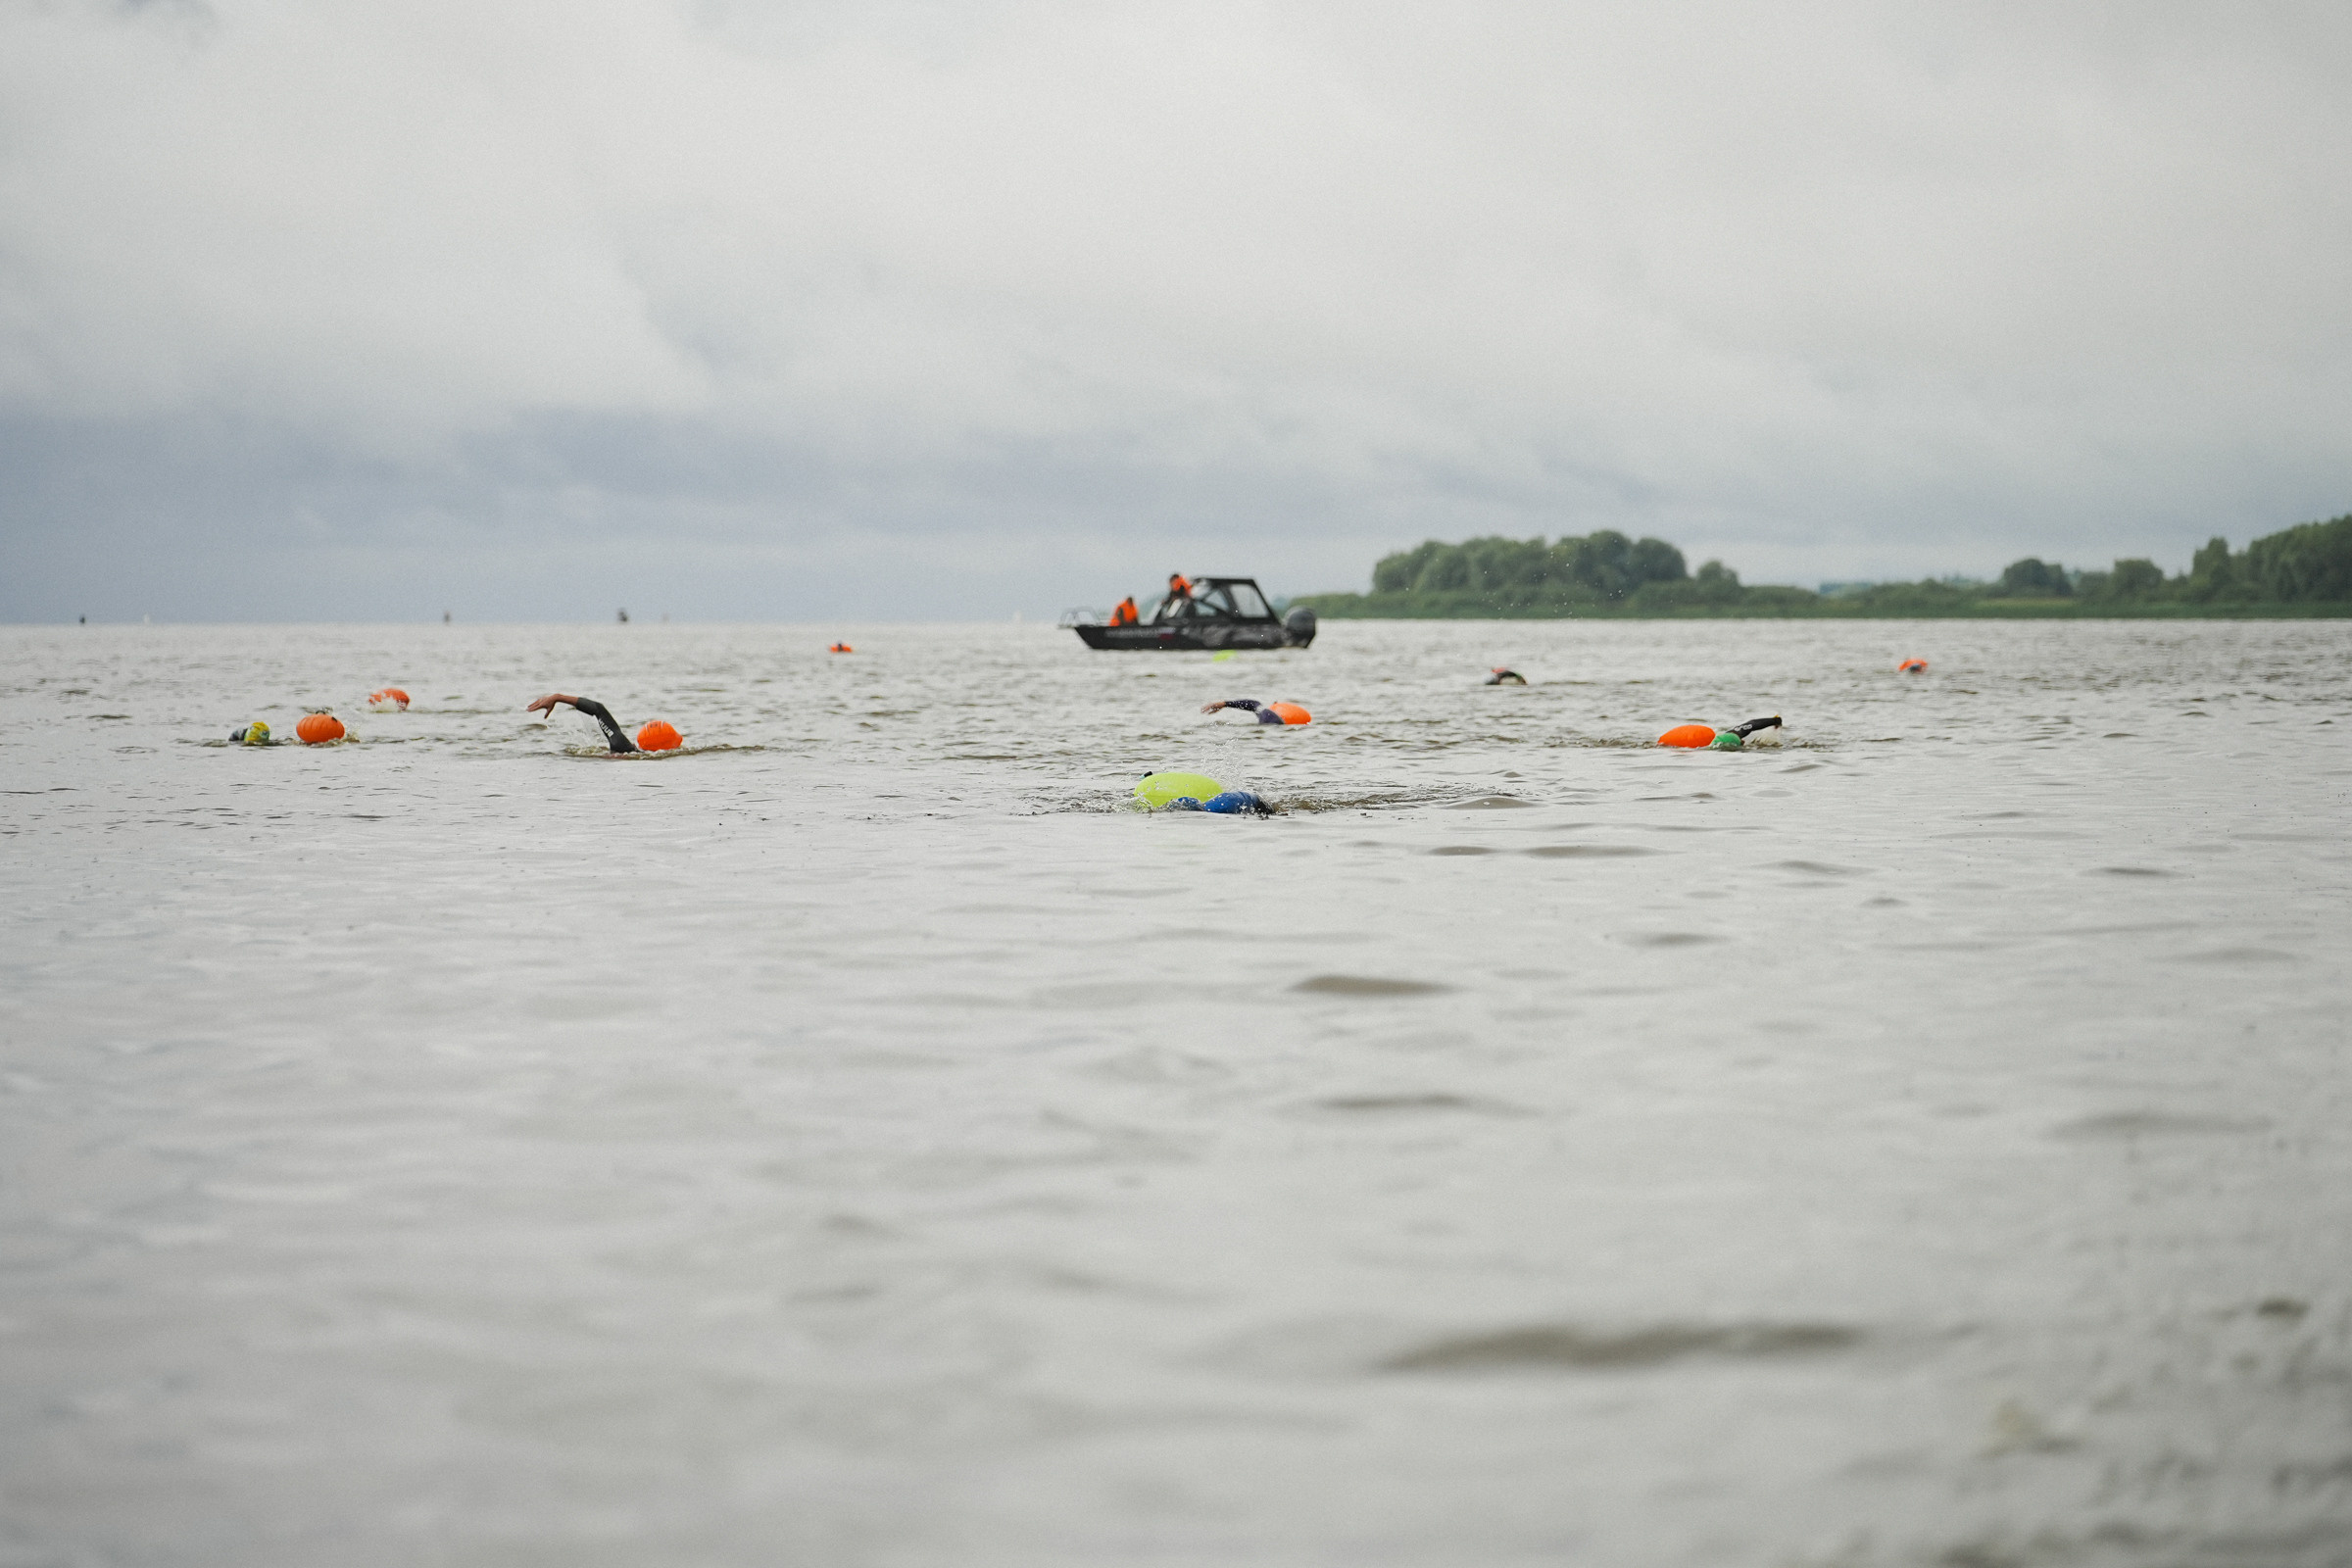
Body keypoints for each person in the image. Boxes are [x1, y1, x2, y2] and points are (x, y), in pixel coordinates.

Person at [526, 692, 640, 753]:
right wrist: (557, 697)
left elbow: (599, 709)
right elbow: (599, 709)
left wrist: (558, 697)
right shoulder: (623, 747)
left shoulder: (622, 746)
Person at [1200, 699, 1303, 725]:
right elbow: (1254, 705)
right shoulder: (1272, 718)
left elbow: (1254, 704)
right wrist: (1225, 704)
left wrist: (1225, 703)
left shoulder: (1270, 717)